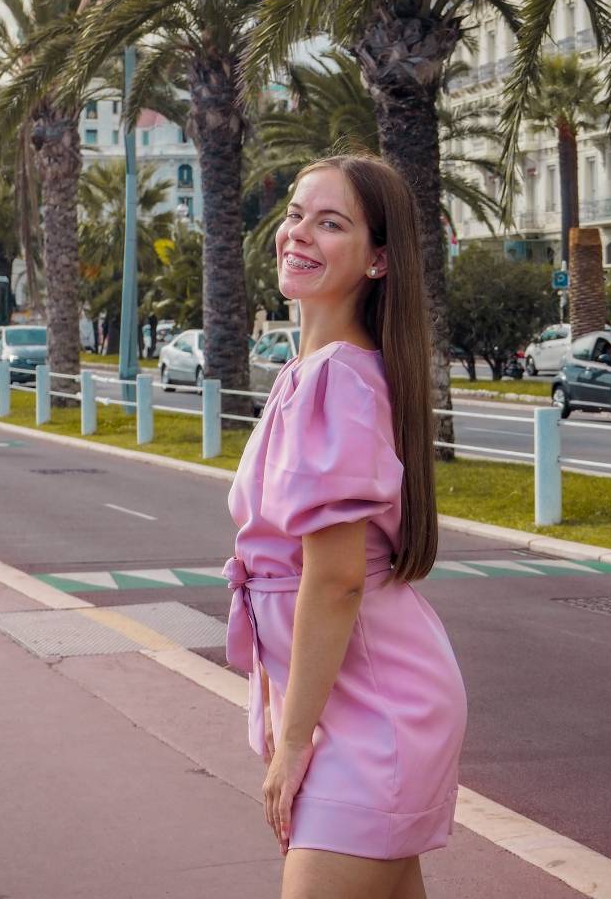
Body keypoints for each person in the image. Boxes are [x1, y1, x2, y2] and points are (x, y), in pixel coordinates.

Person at [223, 154, 467, 899]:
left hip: (368, 717)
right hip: (366, 701)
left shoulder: (335, 376)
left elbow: (334, 579)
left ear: (379, 260)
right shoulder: (318, 371)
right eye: (296, 213)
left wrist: (293, 746)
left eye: (330, 223)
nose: (299, 233)